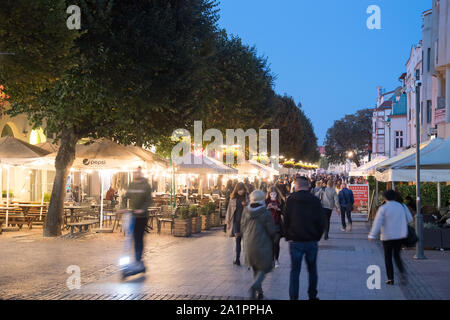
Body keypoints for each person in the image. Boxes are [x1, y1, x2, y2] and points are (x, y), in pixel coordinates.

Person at [284, 176, 326, 300]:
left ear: (296, 186)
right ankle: (312, 295)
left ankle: (293, 296)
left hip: (295, 241)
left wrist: (288, 235)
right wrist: (317, 236)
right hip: (311, 240)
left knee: (294, 271)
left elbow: (286, 219)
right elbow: (321, 221)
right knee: (312, 270)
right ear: (308, 186)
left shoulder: (291, 199)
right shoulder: (314, 199)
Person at [368, 190, 413, 285]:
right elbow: (410, 219)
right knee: (397, 256)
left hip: (387, 236)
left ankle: (390, 278)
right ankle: (402, 273)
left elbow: (377, 222)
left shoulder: (383, 208)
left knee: (388, 257)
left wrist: (372, 235)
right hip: (400, 235)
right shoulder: (402, 206)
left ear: (386, 198)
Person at [241, 190, 276, 300]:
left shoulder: (246, 211)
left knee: (255, 267)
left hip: (248, 243)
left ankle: (259, 292)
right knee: (264, 267)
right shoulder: (266, 213)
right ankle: (255, 286)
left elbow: (242, 226)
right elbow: (271, 230)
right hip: (262, 243)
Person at [120, 167, 152, 270]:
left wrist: (142, 209)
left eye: (138, 172)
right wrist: (123, 208)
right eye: (134, 172)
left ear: (141, 173)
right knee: (131, 238)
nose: (136, 174)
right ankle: (133, 261)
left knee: (139, 238)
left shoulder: (146, 186)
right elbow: (125, 197)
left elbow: (149, 201)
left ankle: (138, 260)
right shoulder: (131, 184)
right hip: (132, 215)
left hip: (142, 216)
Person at [225, 182, 249, 266]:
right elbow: (229, 211)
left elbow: (251, 209)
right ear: (236, 190)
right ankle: (237, 259)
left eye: (242, 190)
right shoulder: (233, 199)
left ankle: (247, 259)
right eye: (239, 190)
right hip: (236, 222)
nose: (241, 192)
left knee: (246, 241)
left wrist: (246, 205)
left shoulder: (247, 198)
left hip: (245, 222)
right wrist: (227, 222)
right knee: (237, 240)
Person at [265, 186, 285, 267]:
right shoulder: (266, 201)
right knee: (270, 243)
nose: (273, 196)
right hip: (268, 225)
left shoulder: (280, 201)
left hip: (277, 224)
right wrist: (267, 207)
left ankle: (276, 259)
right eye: (271, 194)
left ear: (277, 194)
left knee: (276, 242)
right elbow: (262, 212)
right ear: (269, 194)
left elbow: (284, 212)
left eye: (274, 194)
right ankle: (271, 259)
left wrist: (278, 209)